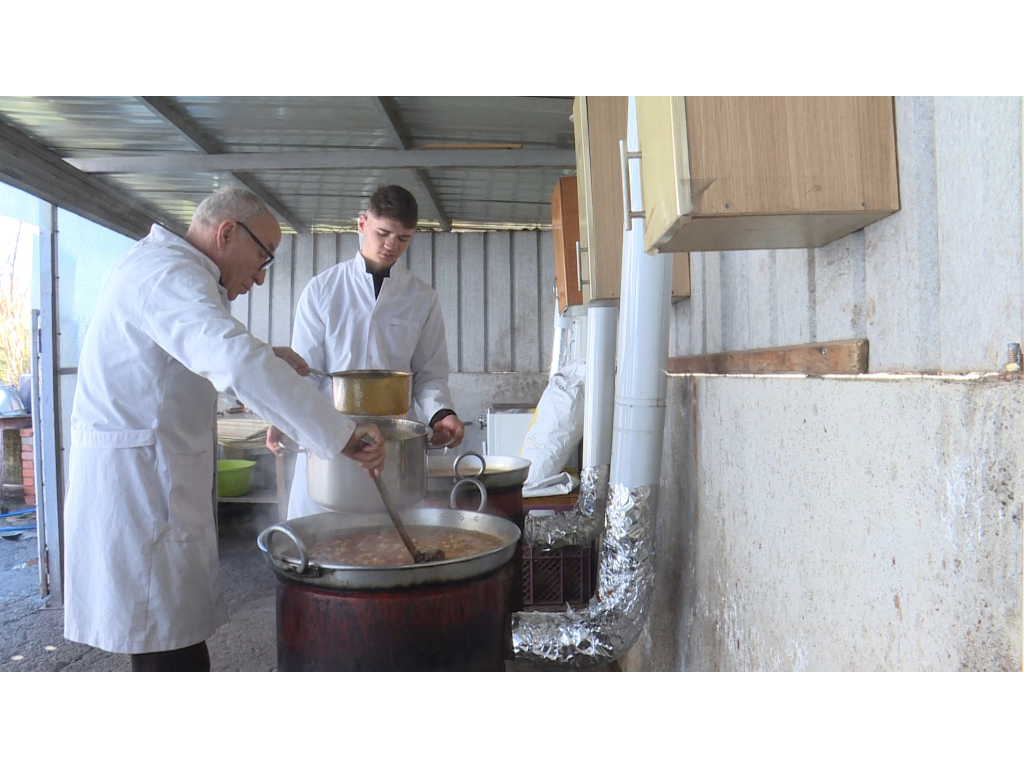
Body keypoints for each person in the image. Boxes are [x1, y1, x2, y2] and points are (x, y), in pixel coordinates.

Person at [62, 187, 386, 672]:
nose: (260, 276)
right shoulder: (167, 275)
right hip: (142, 486)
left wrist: (267, 357)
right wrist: (342, 434)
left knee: (170, 638)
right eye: (263, 257)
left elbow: (188, 357)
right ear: (227, 232)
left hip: (151, 475)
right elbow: (234, 360)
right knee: (167, 647)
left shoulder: (170, 271)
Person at [267, 184, 465, 519]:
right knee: (320, 538)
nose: (391, 246)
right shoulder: (323, 290)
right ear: (362, 224)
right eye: (382, 233)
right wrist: (284, 414)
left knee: (388, 538)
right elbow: (304, 369)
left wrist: (441, 413)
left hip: (394, 447)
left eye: (403, 238)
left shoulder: (422, 298)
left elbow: (430, 374)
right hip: (330, 440)